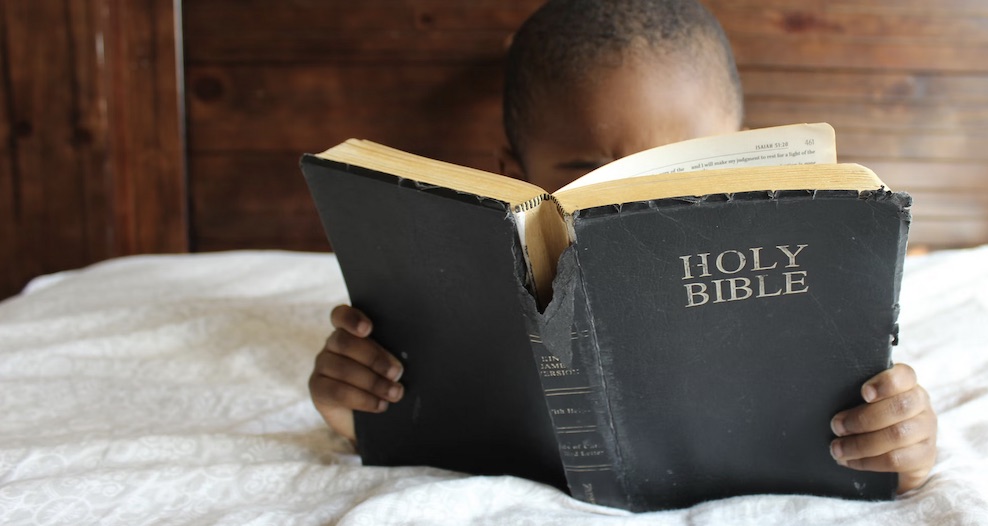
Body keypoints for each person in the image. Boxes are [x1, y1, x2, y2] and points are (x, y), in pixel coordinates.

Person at [309, 0, 937, 495]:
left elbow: (881, 447)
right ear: (513, 173)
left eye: (683, 171)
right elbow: (421, 421)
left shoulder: (801, 291)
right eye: (587, 177)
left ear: (741, 156)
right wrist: (358, 407)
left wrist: (897, 452)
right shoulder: (462, 296)